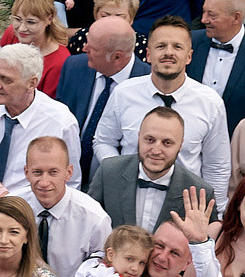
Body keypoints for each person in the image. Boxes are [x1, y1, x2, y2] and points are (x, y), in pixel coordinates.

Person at [92, 16, 230, 191]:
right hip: (128, 194)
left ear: (189, 56)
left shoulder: (211, 104)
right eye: (161, 46)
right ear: (148, 55)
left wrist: (212, 213)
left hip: (184, 201)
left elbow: (217, 167)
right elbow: (103, 141)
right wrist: (119, 173)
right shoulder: (123, 93)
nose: (169, 53)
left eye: (177, 47)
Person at [0, 44, 83, 196]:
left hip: (27, 208)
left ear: (31, 83)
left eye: (6, 80)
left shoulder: (60, 122)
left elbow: (70, 182)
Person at [91, 107, 214, 234]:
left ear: (180, 145)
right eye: (150, 140)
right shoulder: (109, 172)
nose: (156, 151)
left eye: (167, 143)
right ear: (139, 137)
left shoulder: (199, 193)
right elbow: (89, 225)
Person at [53, 16, 144, 187]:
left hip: (114, 185)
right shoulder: (74, 67)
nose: (84, 49)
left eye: (93, 47)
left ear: (117, 57)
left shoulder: (146, 85)